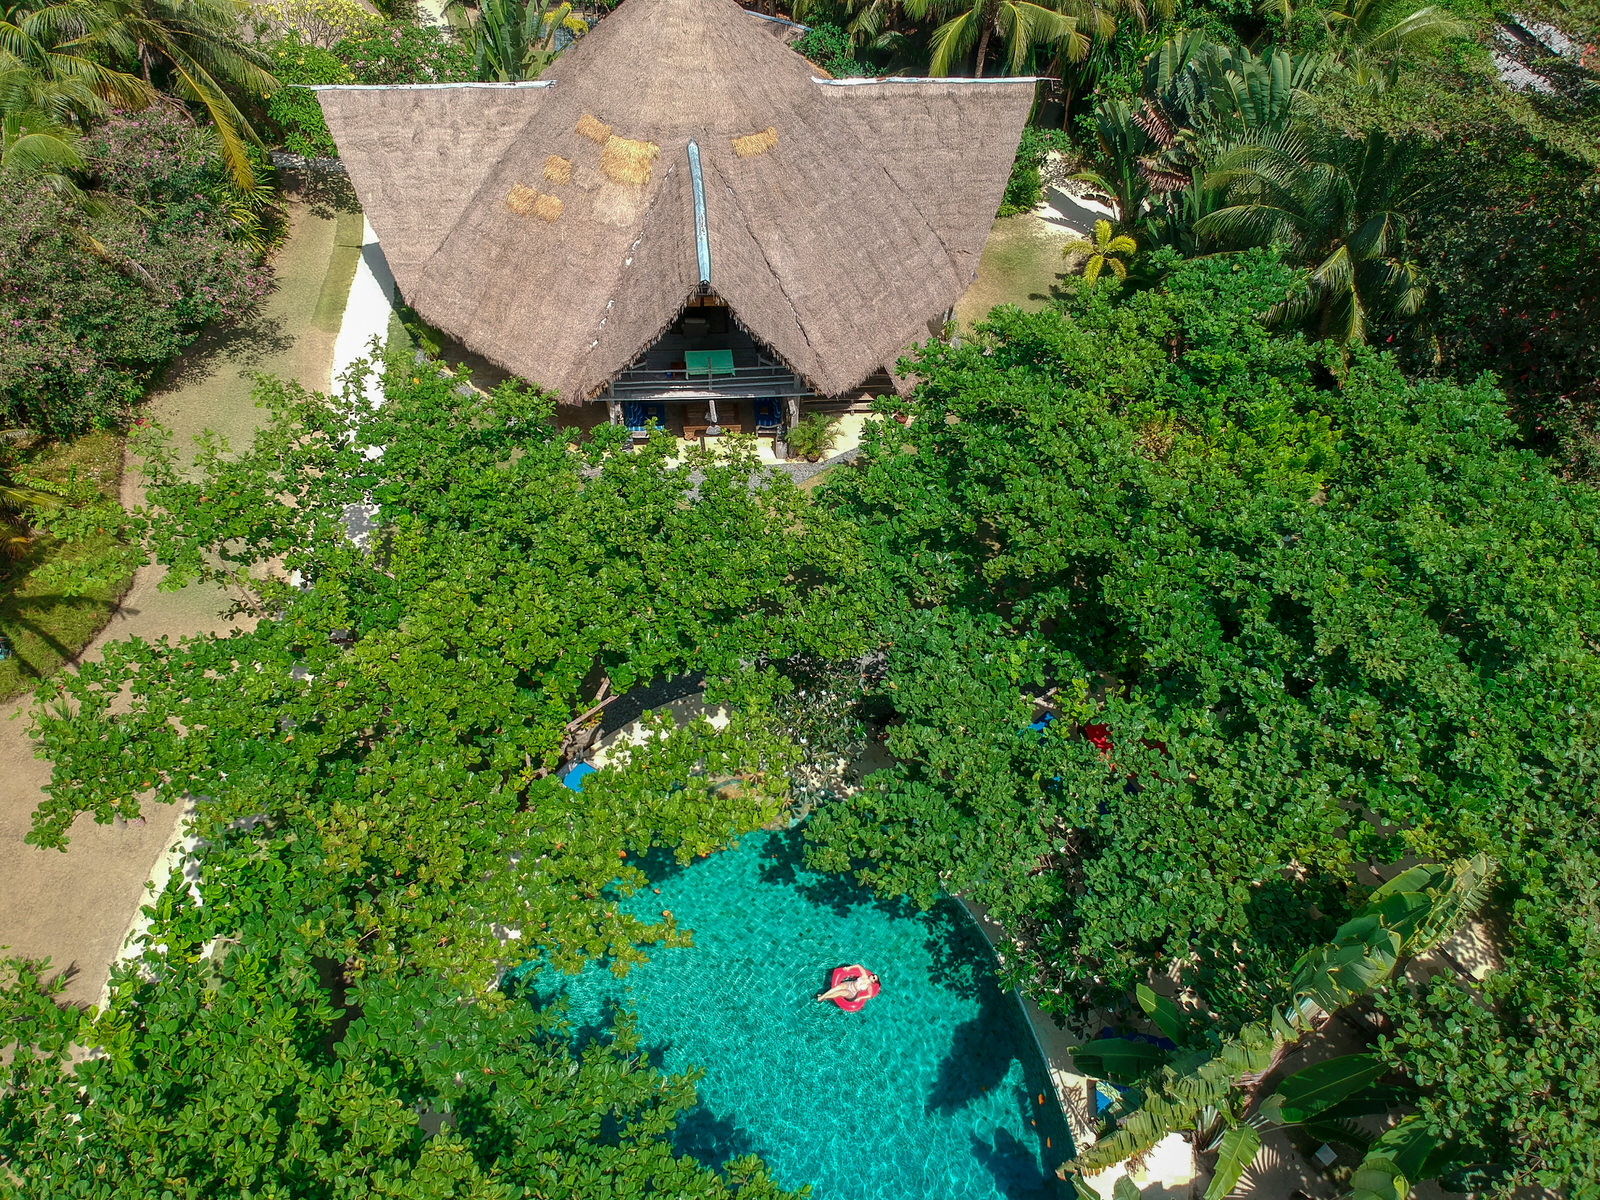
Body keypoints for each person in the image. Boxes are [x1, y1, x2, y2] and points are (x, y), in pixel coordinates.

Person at [815, 964, 879, 1003]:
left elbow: (870, 995)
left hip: (852, 993)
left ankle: (822, 998)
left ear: (873, 981)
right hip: (849, 984)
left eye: (874, 978)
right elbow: (858, 966)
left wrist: (859, 998)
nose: (872, 976)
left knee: (841, 992)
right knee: (837, 987)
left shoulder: (869, 986)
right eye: (873, 975)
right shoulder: (864, 975)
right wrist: (849, 968)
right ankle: (822, 997)